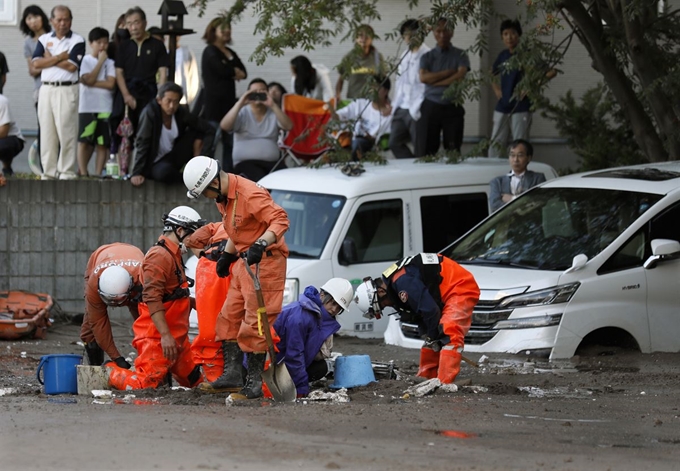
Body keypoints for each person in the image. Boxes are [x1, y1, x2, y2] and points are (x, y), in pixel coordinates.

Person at [183, 156, 290, 400]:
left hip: (267, 262)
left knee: (255, 323)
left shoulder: (249, 193)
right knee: (228, 317)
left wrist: (261, 243)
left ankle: (253, 385)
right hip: (245, 261)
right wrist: (228, 256)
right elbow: (237, 228)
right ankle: (232, 375)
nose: (207, 198)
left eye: (205, 193)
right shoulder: (224, 197)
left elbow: (281, 219)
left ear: (212, 184)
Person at [108, 206, 206, 390]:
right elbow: (152, 299)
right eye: (192, 235)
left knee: (195, 382)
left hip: (177, 338)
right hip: (158, 338)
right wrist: (166, 336)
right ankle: (110, 372)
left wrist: (191, 303)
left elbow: (172, 293)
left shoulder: (172, 253)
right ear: (180, 231)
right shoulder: (159, 256)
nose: (195, 240)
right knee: (144, 385)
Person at [354, 253, 480, 384]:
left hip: (459, 286)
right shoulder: (394, 285)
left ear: (380, 292)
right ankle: (426, 377)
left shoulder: (403, 282)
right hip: (444, 290)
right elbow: (420, 312)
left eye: (382, 304)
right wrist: (428, 336)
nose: (387, 306)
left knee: (449, 331)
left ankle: (444, 382)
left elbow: (430, 311)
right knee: (430, 339)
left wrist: (433, 336)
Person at [273, 278, 354, 397]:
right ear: (322, 295)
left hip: (281, 362)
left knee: (321, 367)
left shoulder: (317, 317)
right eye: (333, 303)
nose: (334, 310)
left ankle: (291, 383)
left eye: (339, 308)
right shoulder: (301, 316)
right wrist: (301, 387)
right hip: (269, 364)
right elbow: (294, 354)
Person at [488, 19, 557, 157]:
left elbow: (551, 71)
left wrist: (532, 85)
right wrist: (496, 89)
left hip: (521, 106)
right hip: (503, 105)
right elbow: (491, 73)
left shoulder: (528, 54)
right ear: (502, 37)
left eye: (513, 33)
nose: (509, 37)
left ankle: (520, 174)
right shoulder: (503, 55)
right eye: (505, 34)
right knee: (495, 143)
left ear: (519, 35)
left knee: (520, 144)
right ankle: (493, 172)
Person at [31, 5, 85, 180]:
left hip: (67, 88)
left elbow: (71, 67)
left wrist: (49, 58)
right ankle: (48, 171)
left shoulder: (77, 40)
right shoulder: (44, 39)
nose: (63, 23)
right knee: (47, 131)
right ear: (52, 21)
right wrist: (59, 57)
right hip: (46, 88)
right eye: (59, 19)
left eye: (66, 19)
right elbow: (36, 64)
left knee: (66, 130)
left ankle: (66, 171)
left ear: (71, 20)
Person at [130, 82, 213, 186]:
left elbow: (208, 129)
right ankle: (189, 180)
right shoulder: (150, 113)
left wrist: (203, 156)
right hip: (155, 162)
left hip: (173, 156)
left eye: (176, 102)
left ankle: (199, 172)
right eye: (168, 101)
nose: (172, 106)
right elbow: (143, 141)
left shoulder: (180, 113)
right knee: (164, 173)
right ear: (159, 100)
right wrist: (137, 172)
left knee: (198, 131)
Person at [80, 243, 144, 368]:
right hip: (101, 255)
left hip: (133, 261)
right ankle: (96, 370)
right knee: (89, 329)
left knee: (145, 322)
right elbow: (98, 324)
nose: (115, 305)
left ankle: (154, 364)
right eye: (110, 301)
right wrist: (117, 358)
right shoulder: (93, 284)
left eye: (119, 300)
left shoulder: (143, 278)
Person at [114, 7, 169, 146]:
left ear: (145, 23)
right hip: (128, 92)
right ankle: (124, 167)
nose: (133, 27)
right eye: (129, 23)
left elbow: (163, 72)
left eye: (136, 22)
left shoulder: (157, 45)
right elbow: (119, 72)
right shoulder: (124, 46)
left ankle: (145, 167)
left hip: (149, 92)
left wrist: (160, 95)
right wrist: (126, 95)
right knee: (125, 134)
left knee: (147, 133)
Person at [184, 222, 231, 381]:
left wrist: (204, 254)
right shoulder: (263, 218)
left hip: (211, 266)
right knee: (251, 324)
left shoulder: (218, 225)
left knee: (211, 330)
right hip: (240, 262)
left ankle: (215, 378)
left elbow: (193, 240)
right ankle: (259, 383)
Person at [416, 18, 470, 157]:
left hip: (453, 105)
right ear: (433, 32)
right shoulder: (427, 57)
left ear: (451, 32)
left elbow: (460, 77)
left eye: (445, 30)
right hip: (430, 106)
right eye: (438, 31)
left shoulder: (460, 54)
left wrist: (435, 82)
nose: (442, 34)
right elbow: (423, 78)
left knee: (453, 150)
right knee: (426, 151)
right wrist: (447, 73)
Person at [220, 78, 293, 181]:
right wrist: (241, 102)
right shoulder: (242, 112)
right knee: (260, 179)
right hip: (245, 163)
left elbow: (289, 126)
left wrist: (273, 105)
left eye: (262, 91)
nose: (258, 94)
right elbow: (224, 126)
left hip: (272, 163)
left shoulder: (273, 112)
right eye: (254, 92)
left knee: (286, 179)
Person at [201, 18, 247, 173]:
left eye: (229, 28)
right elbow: (222, 69)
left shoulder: (230, 52)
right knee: (211, 142)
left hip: (229, 106)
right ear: (214, 31)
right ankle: (204, 175)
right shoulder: (210, 51)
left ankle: (228, 176)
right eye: (223, 29)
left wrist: (230, 69)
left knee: (230, 144)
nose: (227, 32)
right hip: (214, 104)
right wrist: (233, 71)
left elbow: (244, 72)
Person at [389, 19, 430, 159]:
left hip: (419, 106)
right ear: (403, 37)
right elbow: (399, 83)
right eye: (407, 34)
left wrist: (419, 105)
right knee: (394, 142)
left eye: (414, 33)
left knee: (420, 147)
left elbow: (428, 84)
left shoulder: (428, 55)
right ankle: (410, 166)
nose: (410, 36)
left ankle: (419, 174)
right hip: (402, 106)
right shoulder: (404, 55)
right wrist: (395, 104)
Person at [77, 27, 116, 177]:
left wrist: (90, 82)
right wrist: (100, 62)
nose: (102, 46)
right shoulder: (85, 60)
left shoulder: (111, 62)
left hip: (105, 105)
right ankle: (84, 172)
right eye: (98, 42)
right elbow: (87, 78)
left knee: (102, 142)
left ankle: (98, 173)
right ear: (91, 43)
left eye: (105, 43)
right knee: (84, 140)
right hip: (87, 106)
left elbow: (110, 84)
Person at [333, 75, 392, 161]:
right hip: (351, 140)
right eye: (371, 87)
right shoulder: (360, 104)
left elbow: (380, 139)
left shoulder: (389, 115)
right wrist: (330, 105)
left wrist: (370, 138)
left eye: (377, 87)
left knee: (358, 143)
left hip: (369, 145)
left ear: (386, 91)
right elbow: (337, 117)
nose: (373, 90)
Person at [489, 139, 547, 212]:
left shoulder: (537, 179)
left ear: (528, 158)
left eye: (520, 155)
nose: (515, 159)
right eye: (512, 155)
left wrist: (512, 199)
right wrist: (524, 205)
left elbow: (540, 202)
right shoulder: (497, 182)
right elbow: (495, 206)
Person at [335, 24, 387, 101]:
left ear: (372, 39)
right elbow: (340, 79)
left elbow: (384, 80)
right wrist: (338, 94)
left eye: (367, 36)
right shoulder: (349, 57)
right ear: (356, 38)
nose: (363, 38)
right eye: (360, 35)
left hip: (372, 101)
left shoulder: (377, 57)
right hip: (353, 100)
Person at [20, 5, 51, 114]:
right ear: (25, 23)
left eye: (36, 16)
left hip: (59, 85)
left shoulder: (54, 36)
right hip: (40, 88)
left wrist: (41, 64)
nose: (33, 21)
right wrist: (51, 61)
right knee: (42, 125)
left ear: (42, 17)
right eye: (29, 18)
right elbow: (32, 71)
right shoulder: (28, 42)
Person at [0, 93, 25, 177]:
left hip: (12, 139)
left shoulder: (2, 101)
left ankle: (7, 170)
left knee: (3, 145)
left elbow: (4, 131)